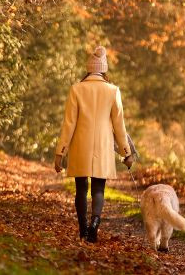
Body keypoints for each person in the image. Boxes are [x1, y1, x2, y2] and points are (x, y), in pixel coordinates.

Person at [53, 46, 134, 242]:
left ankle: (83, 231)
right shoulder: (113, 90)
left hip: (81, 146)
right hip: (103, 147)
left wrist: (60, 153)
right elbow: (119, 125)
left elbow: (69, 124)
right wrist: (126, 153)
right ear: (104, 69)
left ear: (88, 69)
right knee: (99, 189)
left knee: (81, 189)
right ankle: (94, 224)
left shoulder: (76, 89)